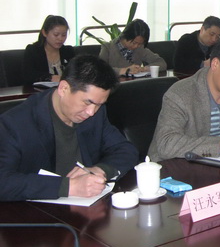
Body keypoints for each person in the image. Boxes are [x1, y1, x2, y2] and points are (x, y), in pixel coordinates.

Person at [0, 55, 138, 201]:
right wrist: (69, 186)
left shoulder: (95, 114)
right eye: (87, 102)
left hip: (86, 207)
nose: (91, 112)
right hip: (35, 209)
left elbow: (126, 150)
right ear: (64, 88)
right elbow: (3, 181)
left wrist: (100, 170)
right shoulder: (15, 123)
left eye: (99, 104)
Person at [99, 19, 167, 76]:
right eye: (134, 43)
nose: (136, 46)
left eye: (140, 44)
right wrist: (124, 70)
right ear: (125, 36)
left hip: (135, 85)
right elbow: (100, 70)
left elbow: (161, 63)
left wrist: (144, 69)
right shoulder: (107, 48)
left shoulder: (140, 49)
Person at [23, 15, 75, 84]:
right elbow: (28, 76)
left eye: (64, 35)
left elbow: (77, 74)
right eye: (56, 35)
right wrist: (50, 78)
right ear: (44, 33)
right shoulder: (33, 51)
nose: (60, 39)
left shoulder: (68, 51)